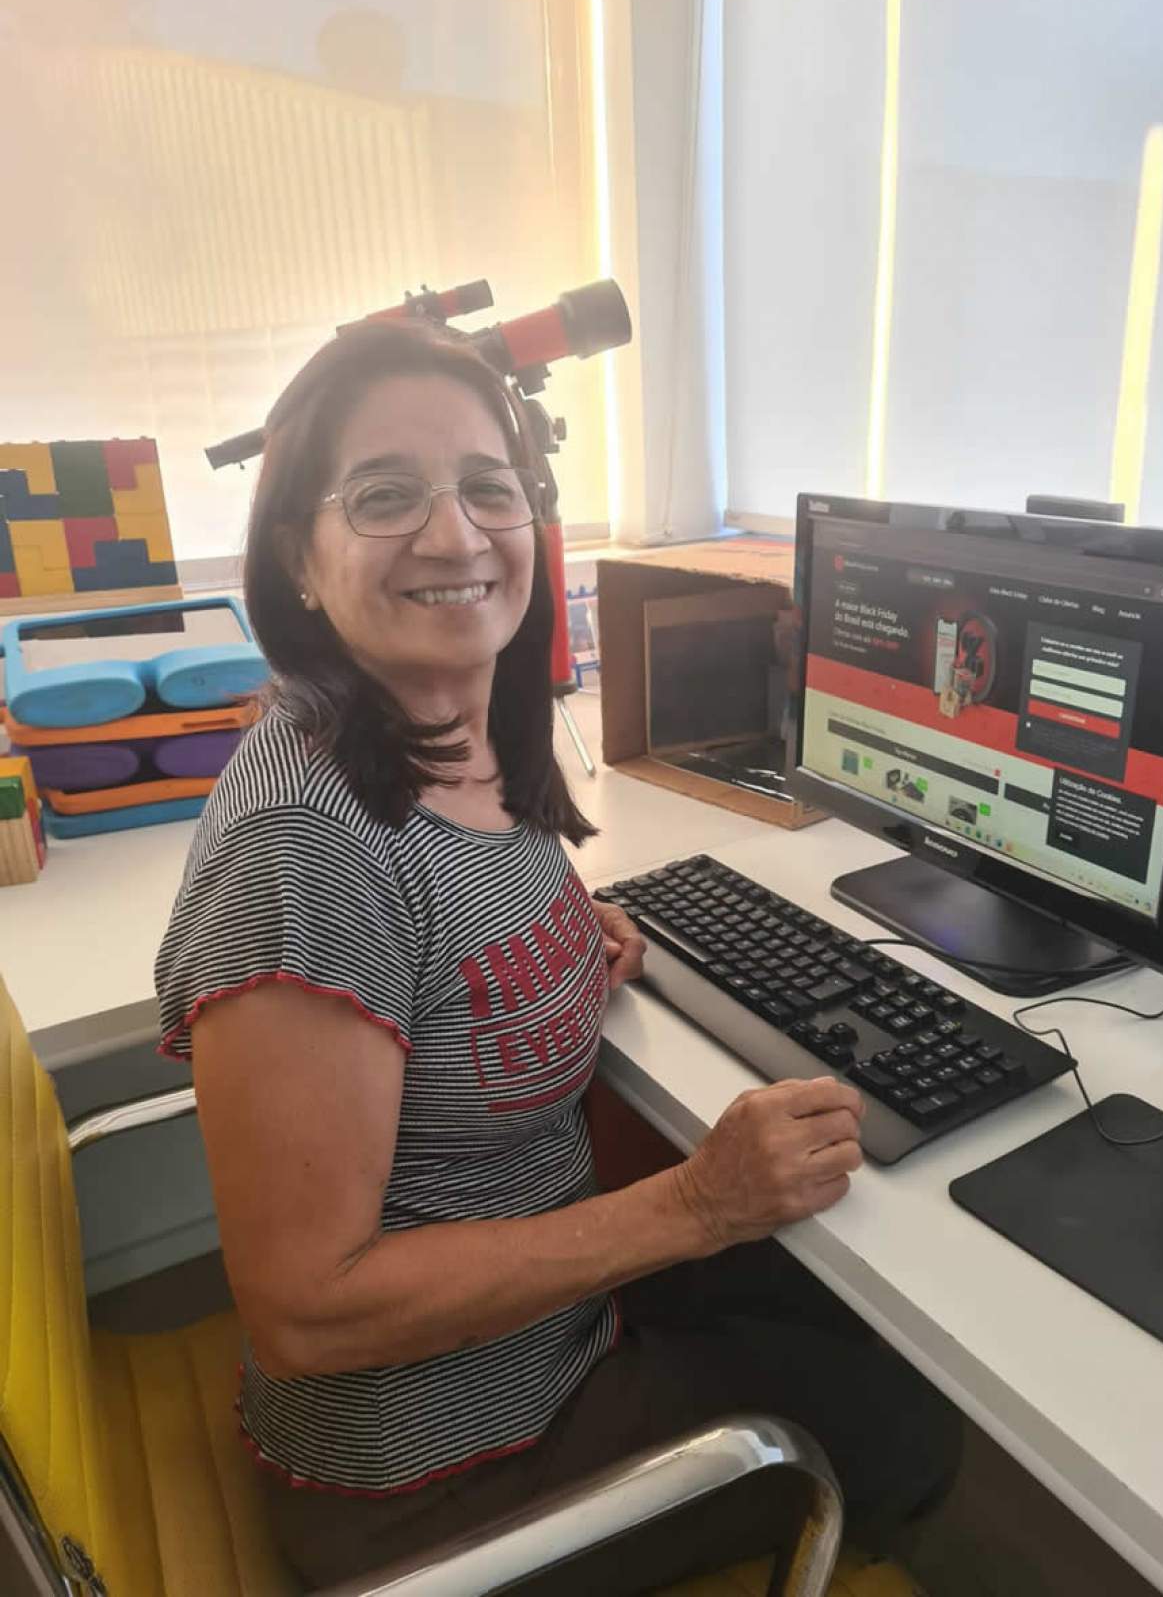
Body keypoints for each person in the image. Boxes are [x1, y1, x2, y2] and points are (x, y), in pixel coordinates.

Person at [156, 320, 959, 1593]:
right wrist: (694, 1206)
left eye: (490, 486)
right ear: (296, 558)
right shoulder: (299, 853)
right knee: (909, 1418)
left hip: (551, 1332)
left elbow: (441, 922)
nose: (455, 534)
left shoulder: (454, 723)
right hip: (437, 1481)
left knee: (853, 1291)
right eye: (384, 496)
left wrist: (552, 941)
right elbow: (309, 1308)